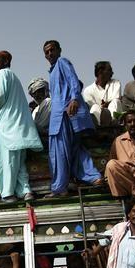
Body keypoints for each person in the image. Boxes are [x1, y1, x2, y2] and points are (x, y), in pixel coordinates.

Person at [42, 40, 102, 197]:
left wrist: (75, 99)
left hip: (63, 115)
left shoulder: (62, 62)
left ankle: (59, 187)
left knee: (59, 152)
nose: (49, 54)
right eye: (46, 52)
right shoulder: (53, 70)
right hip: (65, 116)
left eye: (52, 50)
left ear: (59, 50)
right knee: (75, 151)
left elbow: (73, 80)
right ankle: (94, 177)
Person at [0, 50, 42, 203]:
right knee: (19, 163)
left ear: (6, 61)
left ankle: (7, 194)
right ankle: (26, 191)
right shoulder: (14, 77)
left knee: (7, 161)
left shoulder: (3, 74)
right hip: (19, 128)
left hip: (7, 127)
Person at [82, 61, 122, 126]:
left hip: (113, 118)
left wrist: (107, 104)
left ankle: (112, 124)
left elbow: (117, 98)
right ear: (100, 72)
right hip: (99, 117)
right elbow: (91, 107)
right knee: (95, 107)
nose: (112, 73)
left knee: (115, 101)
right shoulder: (88, 90)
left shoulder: (115, 83)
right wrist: (102, 107)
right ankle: (98, 127)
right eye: (109, 70)